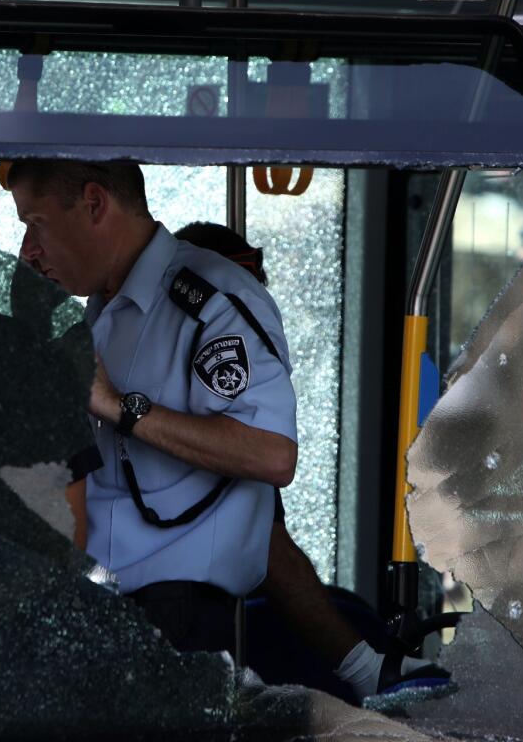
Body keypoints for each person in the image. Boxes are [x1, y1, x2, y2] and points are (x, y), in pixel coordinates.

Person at [9, 160, 297, 657]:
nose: (28, 252)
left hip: (182, 620)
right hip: (105, 605)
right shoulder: (102, 309)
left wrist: (119, 406)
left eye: (37, 225)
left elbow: (273, 455)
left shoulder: (210, 301)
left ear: (95, 204)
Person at [173, 221, 451, 704]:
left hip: (208, 618)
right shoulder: (170, 405)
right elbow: (262, 545)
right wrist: (363, 666)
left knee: (350, 613)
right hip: (181, 641)